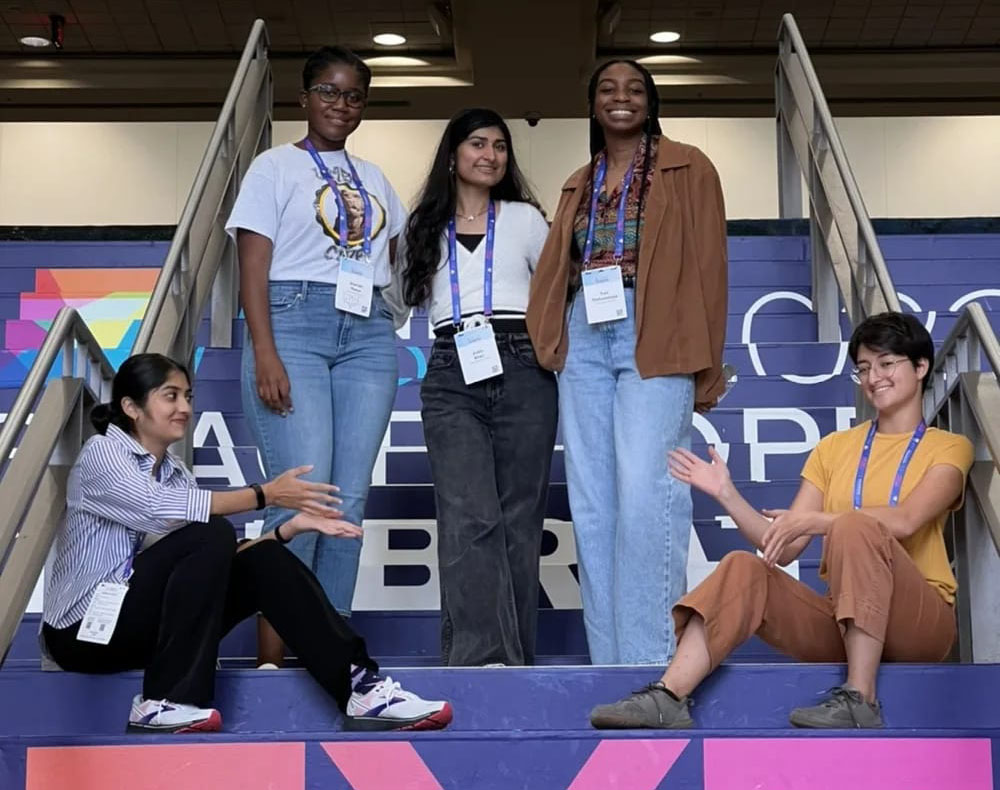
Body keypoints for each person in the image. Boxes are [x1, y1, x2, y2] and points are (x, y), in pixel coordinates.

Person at [589, 312, 973, 730]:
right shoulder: (835, 448)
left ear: (920, 368)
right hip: (847, 621)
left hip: (919, 625)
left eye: (886, 364)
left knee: (855, 525)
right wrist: (727, 494)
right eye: (863, 368)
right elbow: (784, 544)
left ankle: (860, 698)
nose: (873, 377)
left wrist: (820, 521)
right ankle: (668, 696)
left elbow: (905, 519)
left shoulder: (948, 447)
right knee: (743, 567)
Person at [41, 354, 452, 734]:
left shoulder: (176, 472)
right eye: (170, 396)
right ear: (131, 407)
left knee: (263, 559)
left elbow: (214, 564)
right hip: (83, 633)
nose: (184, 407)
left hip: (145, 631)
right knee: (212, 528)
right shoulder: (103, 453)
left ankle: (359, 687)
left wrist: (289, 529)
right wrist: (266, 495)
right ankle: (164, 700)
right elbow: (158, 511)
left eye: (187, 396)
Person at [525, 59, 728, 665]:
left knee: (647, 497)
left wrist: (707, 364)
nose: (622, 98)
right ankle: (609, 667)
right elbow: (559, 269)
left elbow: (712, 267)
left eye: (635, 89)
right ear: (593, 105)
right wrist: (549, 336)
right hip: (586, 331)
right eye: (609, 90)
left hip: (657, 328)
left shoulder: (688, 164)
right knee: (593, 504)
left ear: (651, 101)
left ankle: (651, 669)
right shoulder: (578, 182)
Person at [225, 45, 407, 666]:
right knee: (304, 497)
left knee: (348, 504)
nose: (341, 104)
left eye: (354, 95)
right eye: (328, 91)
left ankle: (326, 655)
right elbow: (251, 266)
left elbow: (401, 264)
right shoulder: (273, 168)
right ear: (303, 98)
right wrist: (264, 351)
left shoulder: (376, 178)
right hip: (291, 324)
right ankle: (275, 664)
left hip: (368, 333)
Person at [392, 108, 556, 667]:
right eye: (478, 144)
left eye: (501, 147)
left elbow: (562, 291)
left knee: (518, 518)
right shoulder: (422, 226)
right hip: (448, 366)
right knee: (467, 516)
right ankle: (477, 660)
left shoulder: (527, 219)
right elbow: (394, 299)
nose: (491, 155)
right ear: (454, 154)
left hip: (522, 361)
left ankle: (515, 660)